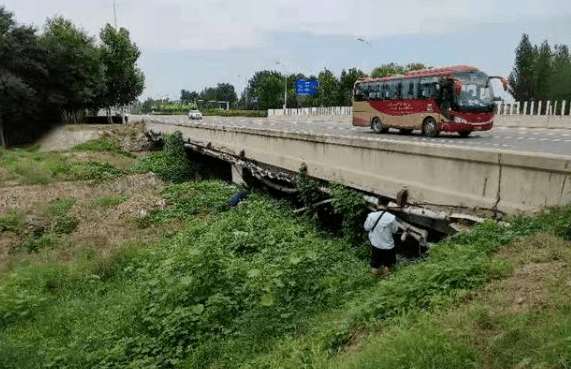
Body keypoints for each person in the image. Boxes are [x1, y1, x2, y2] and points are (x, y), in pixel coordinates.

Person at [364, 197, 398, 278]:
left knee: (375, 266)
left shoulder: (371, 216)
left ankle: (373, 282)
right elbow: (395, 231)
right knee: (387, 266)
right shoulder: (392, 217)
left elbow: (366, 228)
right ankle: (386, 283)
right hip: (388, 246)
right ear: (387, 205)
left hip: (376, 245)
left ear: (377, 204)